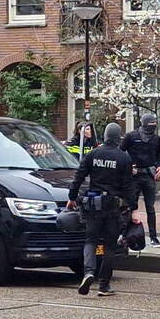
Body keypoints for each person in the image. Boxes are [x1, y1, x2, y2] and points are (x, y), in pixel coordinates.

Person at [67, 122, 138, 297]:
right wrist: (133, 208)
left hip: (92, 205)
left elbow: (79, 176)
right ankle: (104, 285)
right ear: (118, 137)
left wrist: (72, 197)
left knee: (90, 240)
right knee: (109, 246)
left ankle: (89, 272)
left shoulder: (93, 154)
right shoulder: (124, 158)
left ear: (105, 136)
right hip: (113, 207)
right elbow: (129, 186)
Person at [120, 113, 160, 247]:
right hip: (133, 176)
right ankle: (127, 234)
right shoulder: (131, 136)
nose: (153, 127)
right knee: (130, 206)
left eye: (155, 124)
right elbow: (120, 152)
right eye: (150, 124)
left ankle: (153, 237)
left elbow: (157, 156)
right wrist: (128, 167)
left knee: (151, 208)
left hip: (149, 176)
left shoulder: (156, 139)